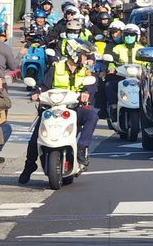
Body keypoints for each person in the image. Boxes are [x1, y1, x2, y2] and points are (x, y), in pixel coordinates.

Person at [19, 39, 99, 184]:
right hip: (53, 108)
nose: (86, 58)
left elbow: (92, 85)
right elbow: (44, 85)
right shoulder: (56, 67)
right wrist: (36, 92)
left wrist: (86, 92)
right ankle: (29, 165)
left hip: (75, 108)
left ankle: (82, 148)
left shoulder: (86, 70)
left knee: (92, 115)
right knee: (35, 138)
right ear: (74, 53)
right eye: (83, 55)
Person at [105, 24, 145, 120]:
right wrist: (111, 66)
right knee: (109, 85)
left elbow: (147, 62)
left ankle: (148, 110)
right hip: (122, 77)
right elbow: (111, 59)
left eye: (131, 35)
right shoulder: (117, 48)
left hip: (139, 78)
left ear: (137, 36)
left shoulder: (142, 49)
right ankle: (114, 108)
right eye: (126, 35)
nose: (129, 37)